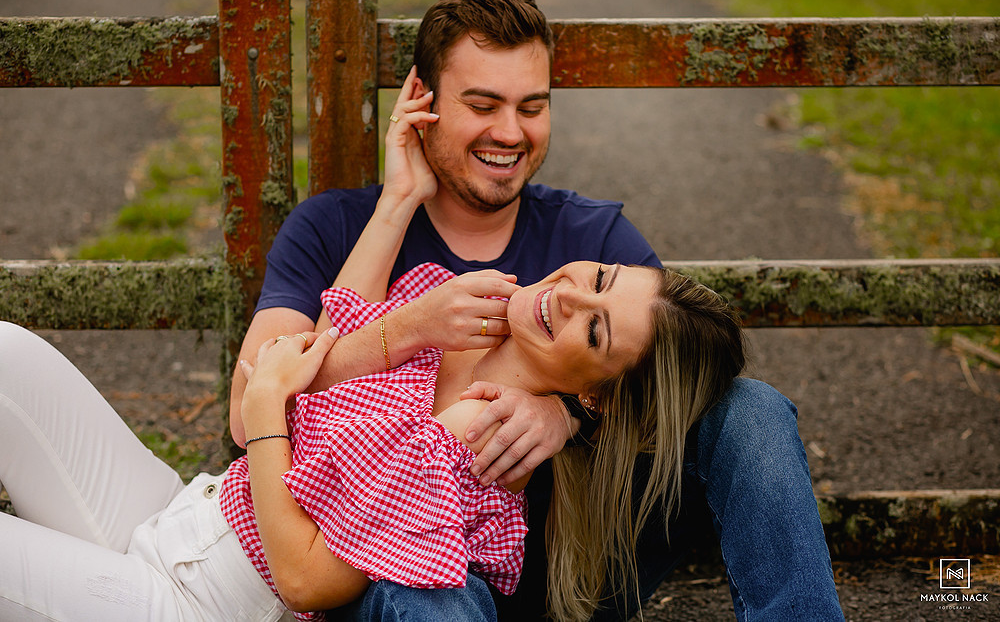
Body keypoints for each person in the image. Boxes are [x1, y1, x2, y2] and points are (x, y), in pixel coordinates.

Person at [230, 0, 842, 621]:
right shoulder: (335, 227)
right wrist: (405, 327)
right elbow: (250, 417)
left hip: (572, 562)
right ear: (424, 101)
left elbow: (664, 371)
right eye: (483, 103)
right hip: (414, 581)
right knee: (421, 581)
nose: (510, 132)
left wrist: (566, 417)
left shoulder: (590, 243)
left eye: (531, 106)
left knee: (748, 408)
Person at [0, 247, 745, 620]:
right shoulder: (458, 312)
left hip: (197, 604)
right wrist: (401, 205)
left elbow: (307, 578)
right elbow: (319, 349)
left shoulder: (473, 438)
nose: (571, 292)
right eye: (604, 276)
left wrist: (266, 418)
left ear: (595, 393)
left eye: (595, 323)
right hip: (176, 511)